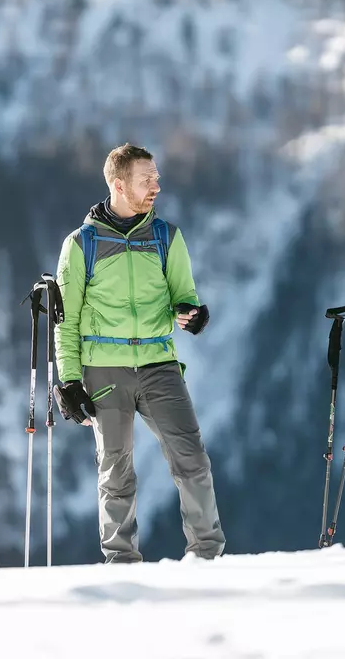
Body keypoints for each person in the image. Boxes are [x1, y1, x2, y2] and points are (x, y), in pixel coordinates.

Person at [51, 143, 225, 564]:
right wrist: (69, 380)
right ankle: (121, 563)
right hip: (104, 369)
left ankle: (207, 557)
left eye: (157, 178)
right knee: (116, 471)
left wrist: (193, 314)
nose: (156, 187)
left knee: (192, 459)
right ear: (118, 184)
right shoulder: (81, 244)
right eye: (147, 180)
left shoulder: (166, 236)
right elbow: (66, 320)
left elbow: (185, 296)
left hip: (158, 364)